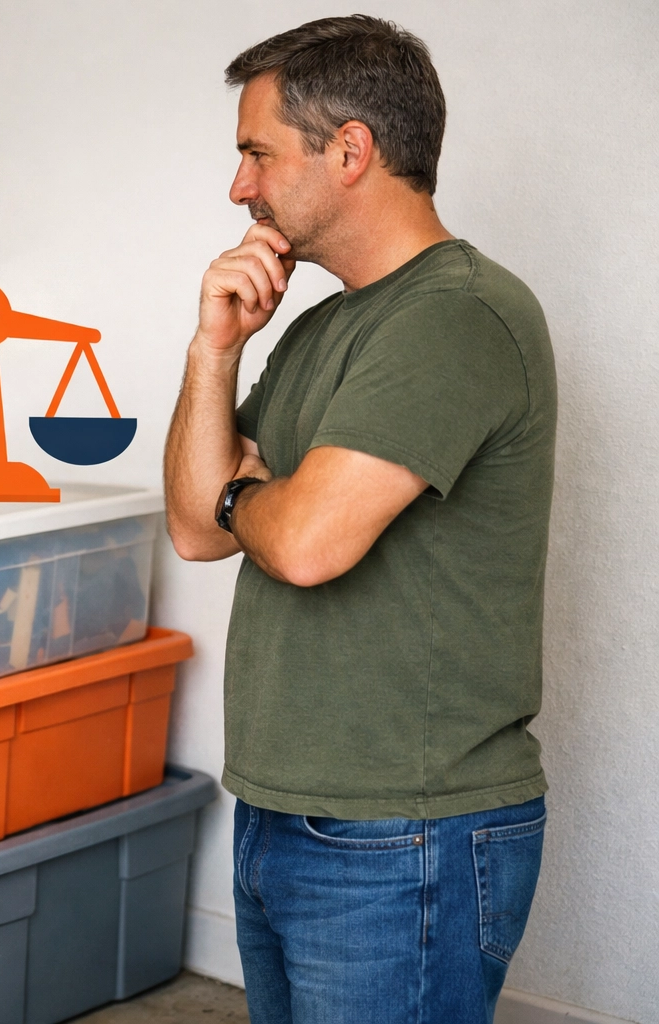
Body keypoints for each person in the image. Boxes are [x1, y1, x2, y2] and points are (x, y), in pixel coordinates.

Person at [162, 15, 556, 1024]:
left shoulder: (457, 316)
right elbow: (195, 527)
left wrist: (250, 494)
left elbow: (302, 543)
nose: (238, 187)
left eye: (255, 152)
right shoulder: (318, 329)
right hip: (288, 810)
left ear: (350, 150)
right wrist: (216, 349)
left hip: (404, 835)